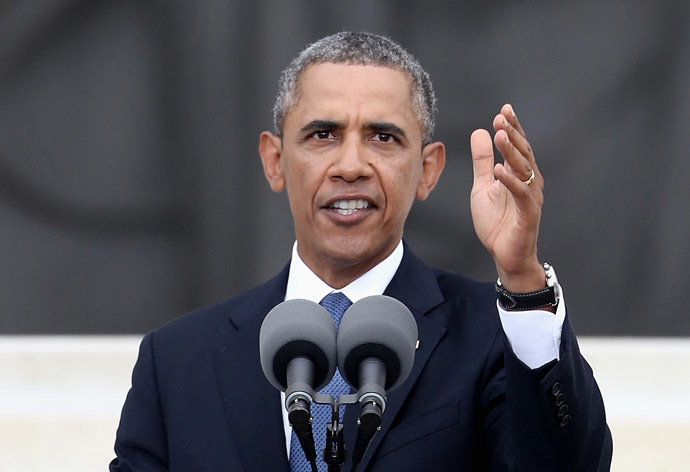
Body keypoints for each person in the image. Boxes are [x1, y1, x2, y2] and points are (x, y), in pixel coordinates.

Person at [110, 32, 612, 471]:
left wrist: (521, 273)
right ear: (275, 160)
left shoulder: (492, 336)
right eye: (323, 134)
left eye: (383, 137)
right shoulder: (177, 362)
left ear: (429, 169)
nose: (351, 165)